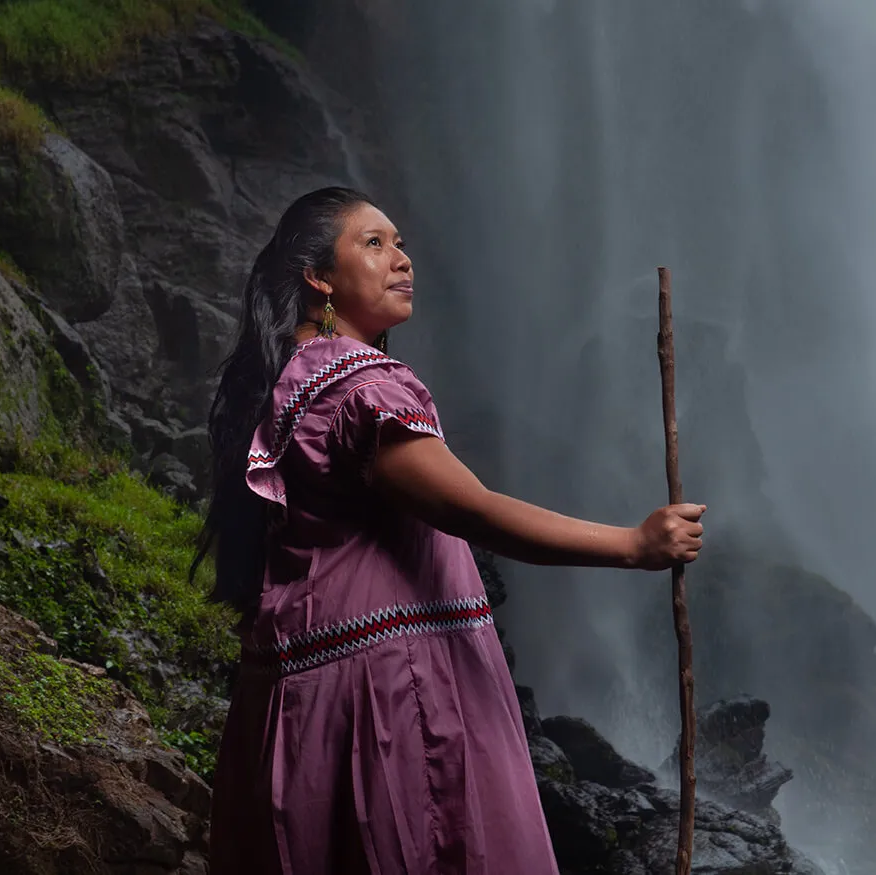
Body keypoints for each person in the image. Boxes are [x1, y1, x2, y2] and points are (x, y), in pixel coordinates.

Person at [193, 186, 705, 874]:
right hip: (387, 707)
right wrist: (635, 545)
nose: (402, 258)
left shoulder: (289, 385)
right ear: (318, 275)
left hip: (298, 709)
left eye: (401, 242)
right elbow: (470, 509)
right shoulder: (358, 385)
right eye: (374, 243)